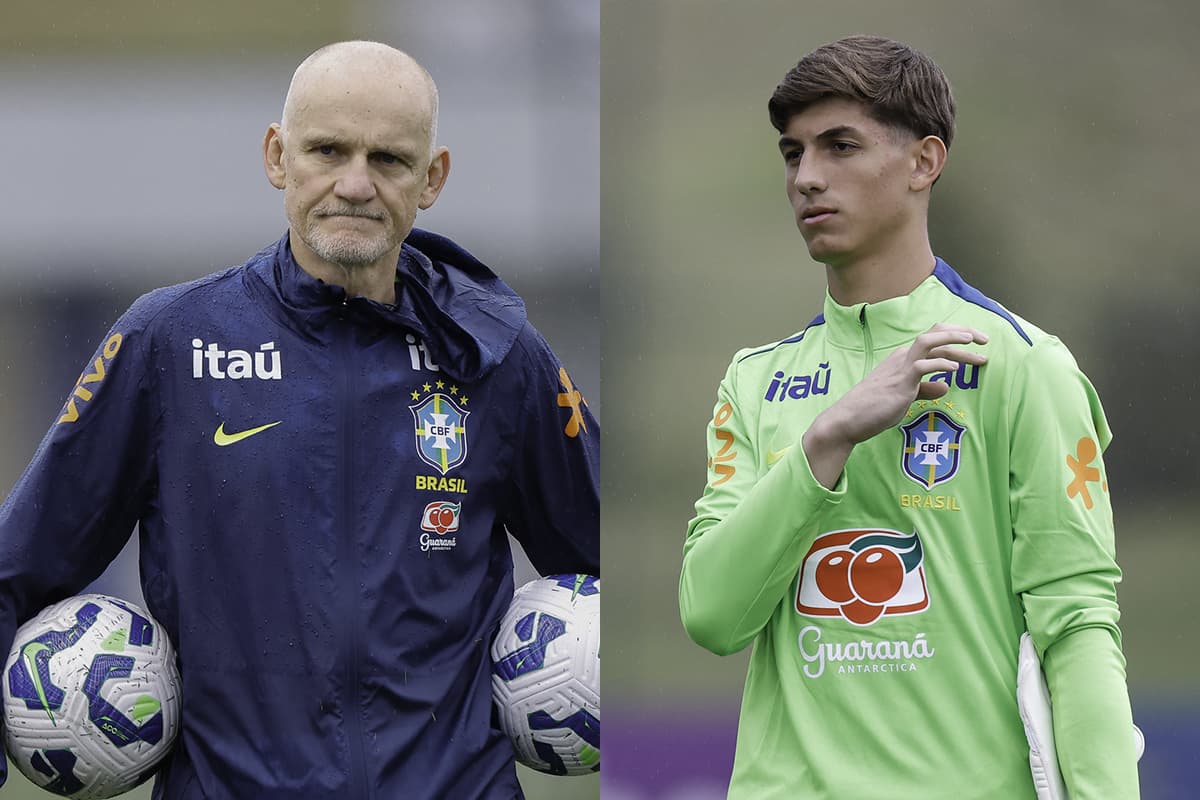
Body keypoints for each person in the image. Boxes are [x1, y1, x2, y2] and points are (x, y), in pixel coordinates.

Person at [0, 41, 599, 799]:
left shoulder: (498, 354)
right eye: (328, 150)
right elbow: (15, 569)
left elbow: (612, 557)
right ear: (277, 156)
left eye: (389, 159)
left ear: (433, 178)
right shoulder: (171, 343)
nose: (355, 184)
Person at [678, 35, 1138, 799]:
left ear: (925, 161)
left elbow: (1080, 626)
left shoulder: (1024, 366)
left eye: (841, 146)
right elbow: (713, 615)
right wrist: (829, 437)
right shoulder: (755, 382)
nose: (807, 178)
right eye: (793, 153)